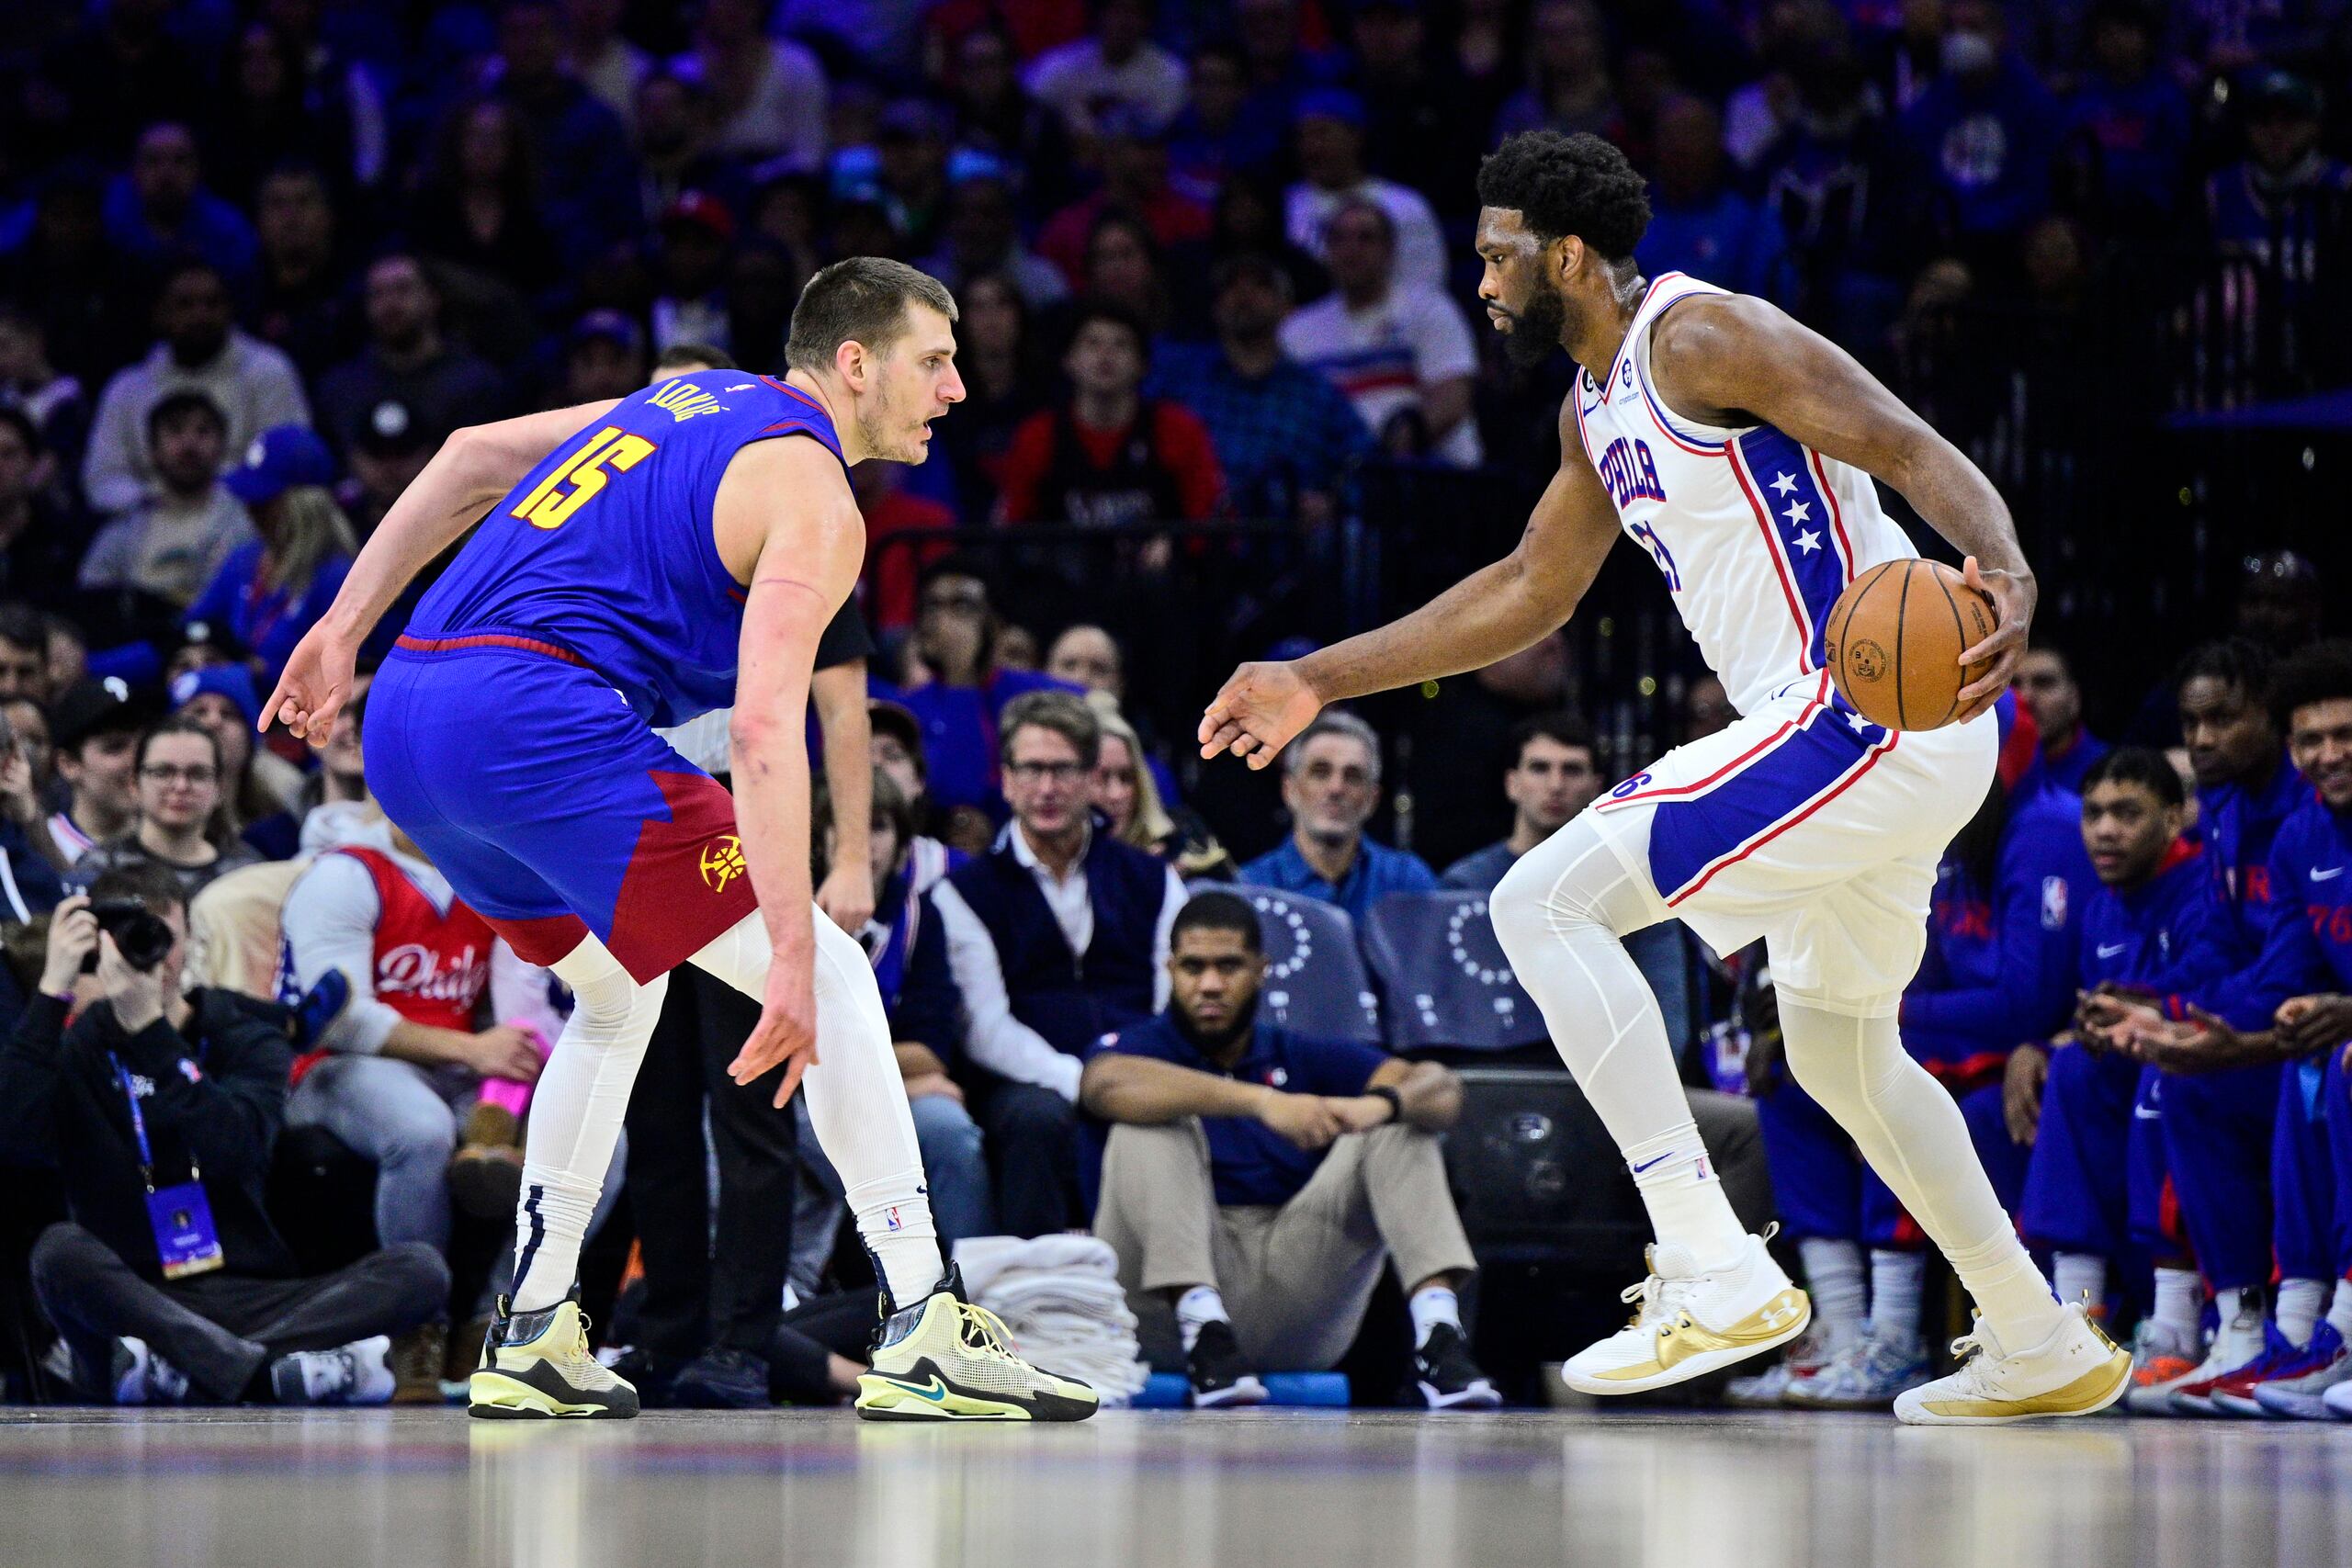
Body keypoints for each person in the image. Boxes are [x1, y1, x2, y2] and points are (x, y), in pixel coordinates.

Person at [1200, 129, 2119, 1424]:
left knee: (1541, 900)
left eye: (1497, 256)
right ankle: (2034, 1332)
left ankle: (1706, 1254)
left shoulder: (1701, 335)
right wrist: (1318, 677)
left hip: (1861, 705)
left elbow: (1905, 440)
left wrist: (2007, 567)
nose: (1482, 283)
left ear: (1566, 254)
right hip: (1860, 741)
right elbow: (1529, 589)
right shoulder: (1596, 406)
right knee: (1844, 1056)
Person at [261, 256, 1093, 1422]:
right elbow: (762, 726)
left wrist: (340, 629)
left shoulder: (679, 401)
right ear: (853, 365)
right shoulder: (815, 493)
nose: (956, 388)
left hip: (408, 717)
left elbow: (462, 459)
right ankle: (921, 1321)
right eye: (935, 361)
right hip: (531, 718)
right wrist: (794, 954)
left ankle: (534, 1326)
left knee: (613, 1001)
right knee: (839, 975)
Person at [3, 873, 447, 1406]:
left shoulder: (246, 1036)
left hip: (252, 1293)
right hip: (135, 1295)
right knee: (57, 1254)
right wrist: (54, 988)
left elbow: (233, 1147)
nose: (154, 959)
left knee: (420, 1269)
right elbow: (14, 1140)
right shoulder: (84, 1042)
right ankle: (273, 1372)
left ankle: (190, 1369)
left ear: (189, 942)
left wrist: (150, 1033)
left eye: (160, 937)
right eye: (130, 939)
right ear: (101, 946)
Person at [1085, 892, 1499, 1408]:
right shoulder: (1139, 1047)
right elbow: (1102, 1085)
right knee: (1146, 1122)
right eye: (1193, 968)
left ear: (1261, 971)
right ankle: (1202, 1328)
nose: (1210, 984)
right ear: (1170, 970)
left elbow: (1442, 1090)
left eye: (1228, 966)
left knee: (1401, 1123)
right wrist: (1263, 1103)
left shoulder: (1296, 1050)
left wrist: (1378, 1106)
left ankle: (1438, 1338)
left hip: (1291, 1285)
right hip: (1158, 1315)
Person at [930, 691, 1186, 1236]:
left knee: (1181, 1109)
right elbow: (987, 1029)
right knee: (1037, 1118)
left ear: (1092, 778)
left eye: (1063, 769)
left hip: (1142, 1065)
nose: (1046, 788)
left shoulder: (1153, 878)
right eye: (1031, 769)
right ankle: (1037, 1296)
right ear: (1006, 779)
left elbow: (1176, 998)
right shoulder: (964, 893)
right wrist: (1083, 1080)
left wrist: (1144, 1072)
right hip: (1025, 1084)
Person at [1146, 253, 1373, 525]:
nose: (1244, 293)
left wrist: (1332, 504)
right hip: (1196, 541)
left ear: (1287, 307)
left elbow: (1367, 468)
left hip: (1286, 548)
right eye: (1231, 285)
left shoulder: (1318, 396)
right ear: (1215, 307)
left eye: (1261, 284)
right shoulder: (1180, 381)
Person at [81, 261, 310, 521]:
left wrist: (213, 500)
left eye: (212, 303)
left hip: (247, 522)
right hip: (146, 522)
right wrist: (163, 500)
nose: (200, 315)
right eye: (185, 304)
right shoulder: (126, 389)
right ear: (159, 313)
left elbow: (292, 464)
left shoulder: (269, 371)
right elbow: (102, 479)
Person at [1279, 199, 1481, 467]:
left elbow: (1454, 397)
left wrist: (1394, 447)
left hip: (1430, 474)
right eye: (1339, 239)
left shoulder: (1430, 309)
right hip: (1336, 481)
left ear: (1390, 249)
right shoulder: (1297, 331)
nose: (1352, 249)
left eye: (1366, 238)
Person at [995, 300, 1224, 529]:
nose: (1106, 355)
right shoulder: (1036, 437)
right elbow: (1011, 529)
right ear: (1068, 360)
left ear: (1143, 364)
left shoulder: (1179, 431)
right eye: (1092, 344)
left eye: (1122, 345)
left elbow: (1209, 526)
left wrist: (1175, 547)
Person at [181, 425, 356, 682]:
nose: (250, 510)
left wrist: (250, 671)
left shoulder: (338, 578)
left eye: (264, 502)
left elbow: (339, 673)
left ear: (304, 505)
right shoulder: (244, 560)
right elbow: (188, 628)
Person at [1237, 711, 1437, 922]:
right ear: (1289, 789)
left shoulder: (1407, 881)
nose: (1336, 788)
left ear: (1373, 798)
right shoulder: (1249, 888)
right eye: (1320, 772)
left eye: (1353, 776)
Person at [313, 255, 508, 462]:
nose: (390, 304)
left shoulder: (476, 384)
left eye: (403, 289)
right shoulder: (339, 389)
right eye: (378, 294)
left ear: (433, 299)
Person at [78, 391, 259, 610]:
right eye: (175, 430)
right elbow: (90, 595)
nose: (189, 444)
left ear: (222, 447)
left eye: (203, 432)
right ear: (153, 450)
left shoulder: (245, 526)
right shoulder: (122, 529)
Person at [74, 717, 263, 899]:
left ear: (219, 788)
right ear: (134, 784)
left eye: (198, 774)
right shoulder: (99, 868)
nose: (181, 786)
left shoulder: (248, 872)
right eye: (163, 772)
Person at [44, 678, 153, 872]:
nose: (137, 761)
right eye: (115, 747)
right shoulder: (38, 846)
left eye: (144, 744)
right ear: (68, 764)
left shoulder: (173, 840)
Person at [2014, 647, 2109, 798]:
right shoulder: (1985, 769)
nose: (2025, 698)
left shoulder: (2110, 771)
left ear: (2074, 698)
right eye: (2013, 684)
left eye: (2043, 683)